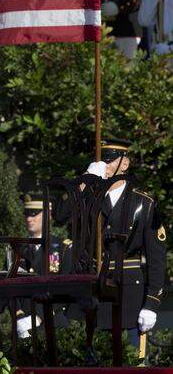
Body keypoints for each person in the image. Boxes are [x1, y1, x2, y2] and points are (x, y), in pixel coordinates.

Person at [83, 139, 166, 349]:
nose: (105, 165)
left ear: (125, 164)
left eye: (110, 160)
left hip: (130, 295)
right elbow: (61, 215)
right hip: (95, 292)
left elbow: (157, 259)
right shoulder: (89, 197)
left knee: (130, 365)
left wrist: (152, 303)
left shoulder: (143, 203)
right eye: (101, 160)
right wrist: (86, 179)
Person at [14, 196, 70, 339]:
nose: (29, 219)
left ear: (48, 215)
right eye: (27, 214)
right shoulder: (18, 249)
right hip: (23, 323)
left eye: (34, 214)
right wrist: (19, 315)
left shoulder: (62, 248)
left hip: (53, 321)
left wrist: (39, 317)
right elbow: (9, 285)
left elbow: (68, 287)